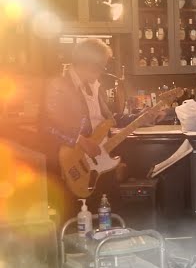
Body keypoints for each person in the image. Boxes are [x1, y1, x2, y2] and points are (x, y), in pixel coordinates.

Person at [39, 38, 164, 223]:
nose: (103, 69)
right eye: (102, 65)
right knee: (77, 221)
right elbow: (45, 125)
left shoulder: (96, 87)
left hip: (102, 163)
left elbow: (110, 120)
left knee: (109, 217)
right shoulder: (59, 85)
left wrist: (144, 117)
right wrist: (79, 140)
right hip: (74, 167)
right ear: (89, 63)